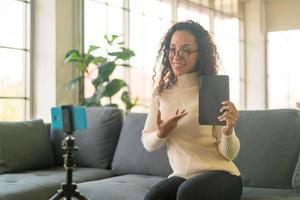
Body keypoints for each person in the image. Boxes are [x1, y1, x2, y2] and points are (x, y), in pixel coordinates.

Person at [141, 20, 243, 200]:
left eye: (185, 50)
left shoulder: (211, 90)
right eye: (172, 49)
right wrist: (161, 133)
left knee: (187, 194)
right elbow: (148, 143)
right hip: (183, 177)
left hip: (222, 175)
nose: (176, 56)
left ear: (200, 55)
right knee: (154, 198)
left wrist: (228, 131)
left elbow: (229, 154)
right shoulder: (161, 93)